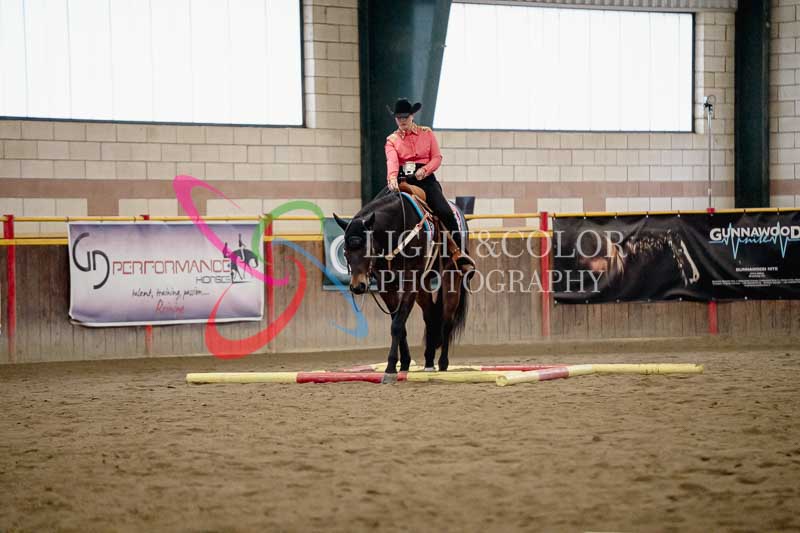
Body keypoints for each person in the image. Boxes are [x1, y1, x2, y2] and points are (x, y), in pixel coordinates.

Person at [384, 98, 476, 277]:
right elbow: (392, 161)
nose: (402, 120)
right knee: (383, 211)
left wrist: (425, 170)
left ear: (412, 116)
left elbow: (437, 157)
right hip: (403, 181)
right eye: (399, 117)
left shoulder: (426, 133)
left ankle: (459, 252)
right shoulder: (391, 140)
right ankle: (381, 258)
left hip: (426, 181)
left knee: (445, 211)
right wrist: (392, 178)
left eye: (405, 117)